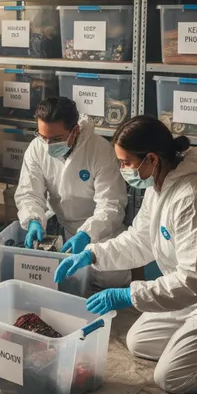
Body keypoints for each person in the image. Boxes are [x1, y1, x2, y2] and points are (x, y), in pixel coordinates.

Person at [55, 115, 197, 394]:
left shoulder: (194, 198)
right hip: (195, 298)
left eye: (125, 163)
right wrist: (92, 254)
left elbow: (194, 280)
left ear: (151, 159)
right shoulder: (160, 188)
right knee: (139, 341)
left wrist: (129, 295)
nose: (122, 169)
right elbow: (140, 241)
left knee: (173, 376)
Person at [14, 96, 130, 290]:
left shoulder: (100, 150)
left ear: (75, 130)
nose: (48, 144)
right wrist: (34, 219)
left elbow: (111, 205)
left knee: (112, 279)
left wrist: (86, 234)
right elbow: (28, 193)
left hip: (97, 228)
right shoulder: (36, 148)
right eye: (43, 137)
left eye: (56, 139)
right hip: (57, 224)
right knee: (43, 274)